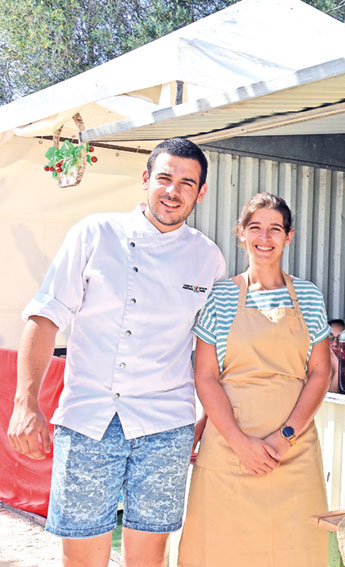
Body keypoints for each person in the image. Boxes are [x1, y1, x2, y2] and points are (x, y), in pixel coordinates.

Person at [7, 137, 225, 567]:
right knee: (83, 555)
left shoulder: (208, 258)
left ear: (200, 193)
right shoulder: (95, 232)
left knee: (149, 558)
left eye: (186, 183)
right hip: (90, 418)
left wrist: (208, 419)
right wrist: (24, 402)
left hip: (166, 424)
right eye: (164, 177)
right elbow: (45, 316)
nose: (172, 190)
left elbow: (209, 349)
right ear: (145, 179)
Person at [178, 192, 331, 567]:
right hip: (229, 451)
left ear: (288, 236)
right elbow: (207, 377)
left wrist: (285, 437)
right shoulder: (221, 296)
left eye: (275, 229)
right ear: (241, 234)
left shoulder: (308, 296)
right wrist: (239, 442)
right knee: (219, 551)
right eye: (255, 228)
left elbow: (321, 372)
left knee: (297, 551)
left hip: (292, 452)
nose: (265, 238)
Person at [327, 318, 345, 393]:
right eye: (330, 338)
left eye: (340, 338)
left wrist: (338, 366)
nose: (335, 343)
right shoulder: (317, 363)